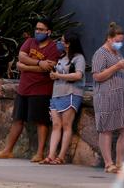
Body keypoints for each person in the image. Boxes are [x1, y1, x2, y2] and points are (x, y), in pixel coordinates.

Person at [0, 19, 60, 161]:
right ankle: (7, 150)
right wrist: (38, 63)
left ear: (49, 32)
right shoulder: (30, 42)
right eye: (37, 29)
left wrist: (25, 67)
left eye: (42, 29)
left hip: (41, 89)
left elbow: (49, 67)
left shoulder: (53, 48)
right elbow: (21, 57)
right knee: (17, 120)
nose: (38, 32)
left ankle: (40, 153)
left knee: (41, 122)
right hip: (24, 88)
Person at [92, 22, 124, 174]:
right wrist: (117, 67)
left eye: (121, 41)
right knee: (107, 130)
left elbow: (119, 70)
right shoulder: (100, 53)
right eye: (117, 41)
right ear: (109, 39)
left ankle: (119, 162)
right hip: (106, 97)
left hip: (122, 99)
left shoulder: (117, 54)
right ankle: (108, 163)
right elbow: (97, 76)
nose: (119, 44)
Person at [39, 31, 86, 165]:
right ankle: (50, 155)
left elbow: (78, 75)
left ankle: (61, 156)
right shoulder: (62, 57)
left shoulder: (78, 58)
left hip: (71, 93)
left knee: (66, 125)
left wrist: (59, 76)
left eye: (62, 40)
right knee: (56, 125)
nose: (60, 43)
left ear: (69, 43)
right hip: (57, 94)